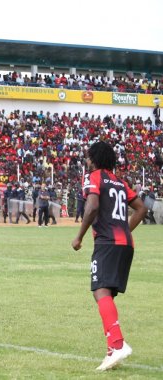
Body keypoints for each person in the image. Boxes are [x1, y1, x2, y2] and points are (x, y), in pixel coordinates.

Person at [71, 141, 146, 371]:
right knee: (106, 294)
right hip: (126, 244)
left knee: (100, 290)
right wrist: (123, 229)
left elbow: (92, 206)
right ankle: (112, 350)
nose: (86, 161)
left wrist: (79, 236)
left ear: (94, 158)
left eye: (87, 157)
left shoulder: (94, 176)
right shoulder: (120, 182)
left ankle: (117, 344)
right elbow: (141, 208)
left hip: (107, 242)